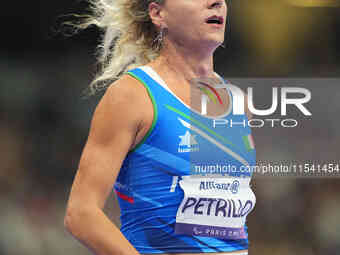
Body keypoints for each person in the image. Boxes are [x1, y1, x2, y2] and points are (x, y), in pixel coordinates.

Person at [64, 0, 256, 255]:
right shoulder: (133, 96)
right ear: (157, 13)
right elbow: (81, 213)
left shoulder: (238, 103)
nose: (216, 2)